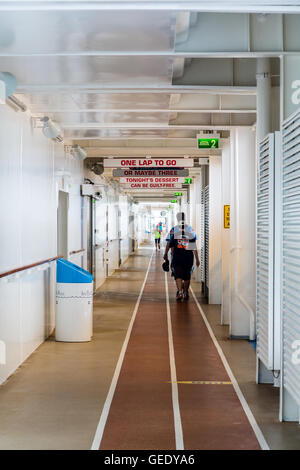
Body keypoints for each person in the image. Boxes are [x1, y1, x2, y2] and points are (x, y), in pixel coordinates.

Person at [163, 212, 200, 301]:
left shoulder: (174, 230)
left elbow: (169, 244)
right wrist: (197, 259)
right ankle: (186, 292)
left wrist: (166, 254)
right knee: (187, 276)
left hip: (177, 257)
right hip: (188, 258)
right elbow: (193, 246)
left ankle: (180, 292)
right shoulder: (190, 230)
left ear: (177, 219)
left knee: (178, 275)